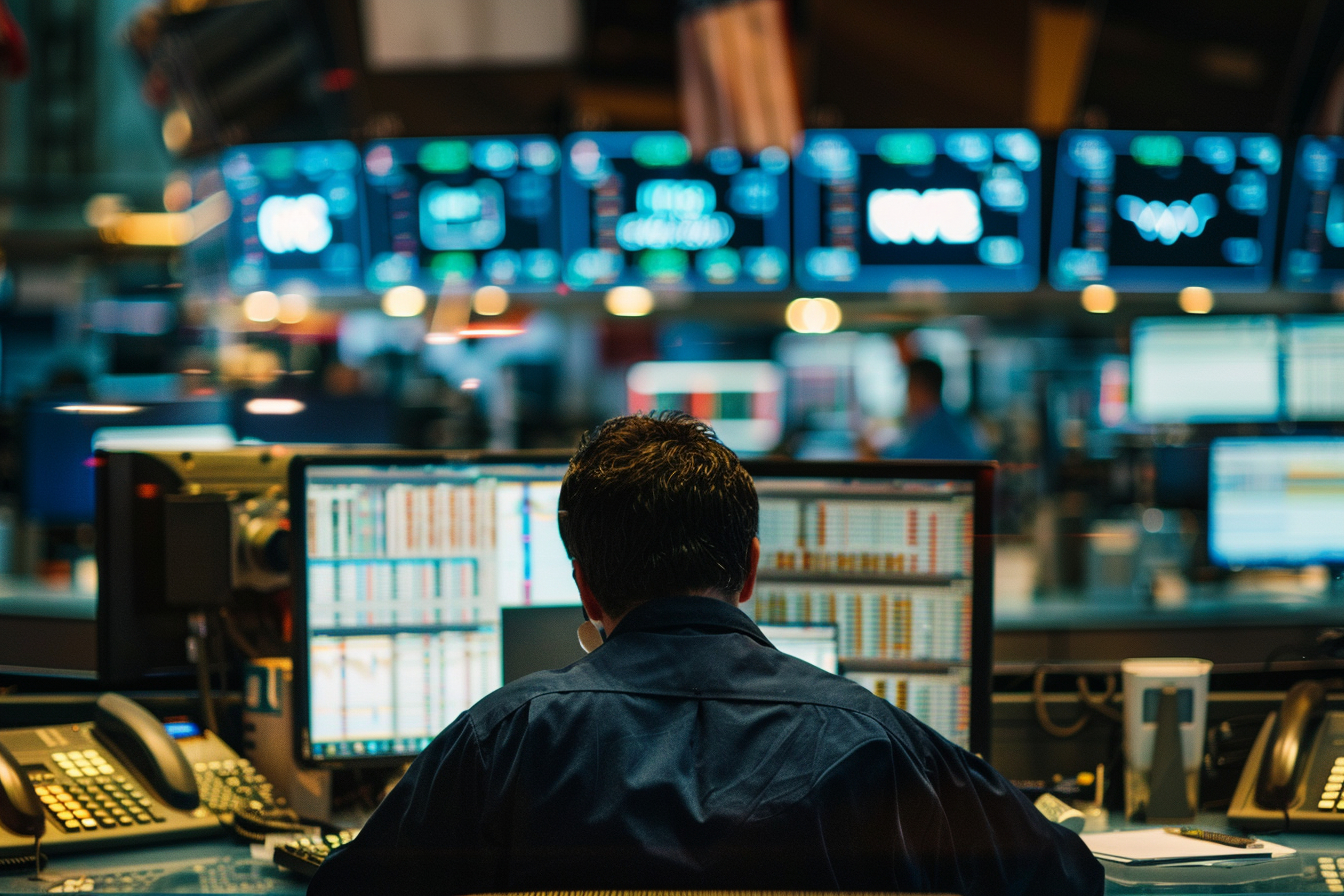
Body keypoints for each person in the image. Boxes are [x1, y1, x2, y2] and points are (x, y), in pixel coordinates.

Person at [308, 412, 1101, 896]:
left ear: (585, 589)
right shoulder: (878, 743)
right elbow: (1066, 876)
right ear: (750, 570)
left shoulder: (501, 744)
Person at [886, 357, 989, 461]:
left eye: (909, 389)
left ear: (920, 390)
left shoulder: (937, 431)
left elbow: (906, 462)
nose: (907, 397)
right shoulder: (954, 421)